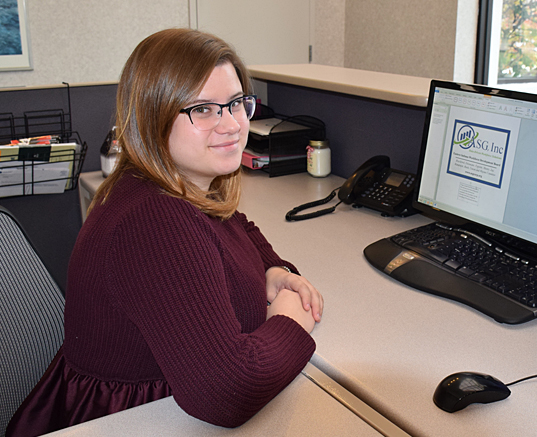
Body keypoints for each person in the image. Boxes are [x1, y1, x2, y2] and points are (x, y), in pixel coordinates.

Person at [6, 28, 323, 436]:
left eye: (237, 103)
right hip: (129, 421)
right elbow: (224, 393)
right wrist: (290, 322)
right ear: (153, 115)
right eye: (203, 109)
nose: (231, 124)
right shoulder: (154, 220)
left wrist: (274, 270)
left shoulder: (170, 184)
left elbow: (234, 225)